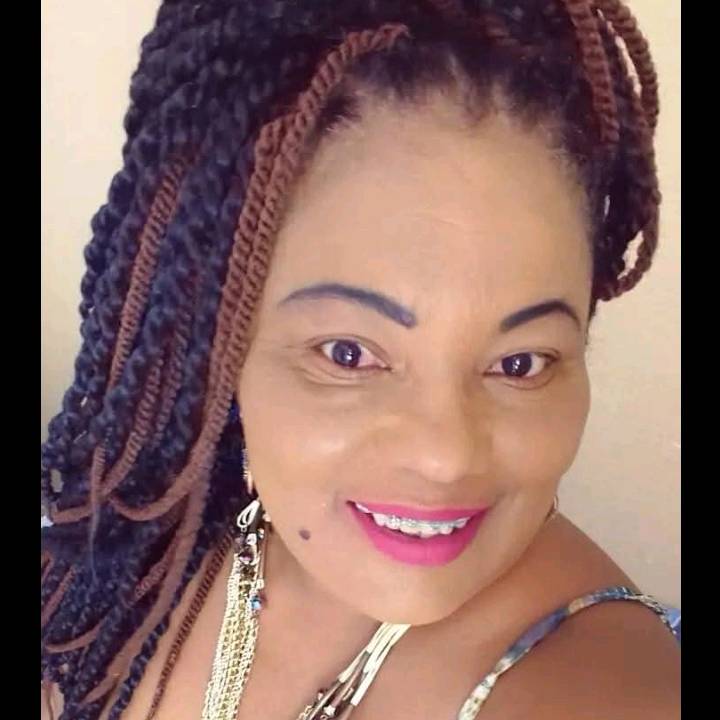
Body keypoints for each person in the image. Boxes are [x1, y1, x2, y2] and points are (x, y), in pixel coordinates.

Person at [41, 1, 680, 718]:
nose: (445, 456)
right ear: (221, 332)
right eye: (348, 354)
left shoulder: (598, 687)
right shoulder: (124, 554)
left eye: (521, 363)